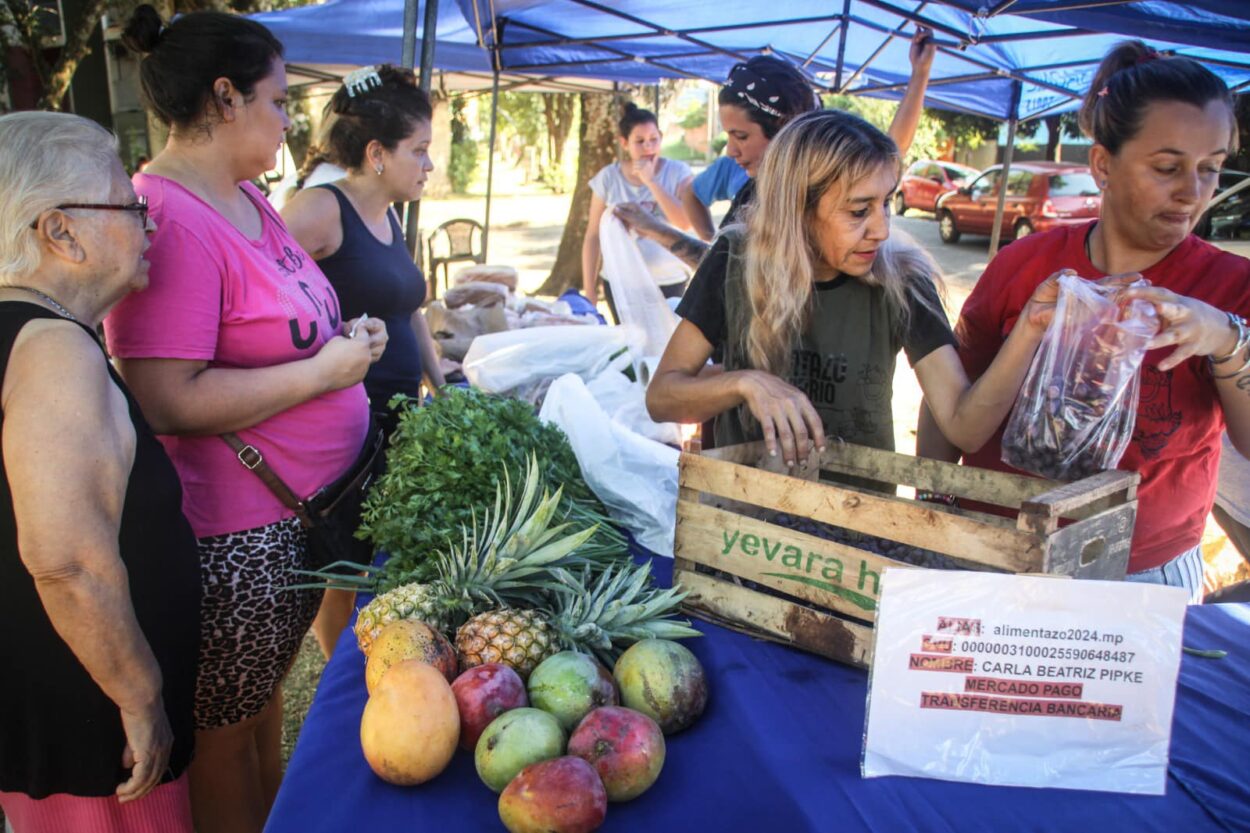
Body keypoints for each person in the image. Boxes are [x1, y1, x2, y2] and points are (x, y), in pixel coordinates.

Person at [106, 8, 387, 833]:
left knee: (263, 714)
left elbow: (283, 329)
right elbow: (165, 397)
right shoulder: (169, 216)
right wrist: (323, 371)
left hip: (295, 518)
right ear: (224, 99)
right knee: (229, 740)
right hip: (235, 534)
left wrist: (345, 343)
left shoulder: (249, 200)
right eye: (276, 99)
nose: (289, 118)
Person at [919, 41, 1250, 602]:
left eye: (1211, 169)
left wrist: (1225, 339)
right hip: (994, 543)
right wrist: (931, 504)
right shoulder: (1025, 267)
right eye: (1167, 168)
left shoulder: (1229, 289)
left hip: (1141, 571)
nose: (1192, 192)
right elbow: (949, 395)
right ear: (1102, 165)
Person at [645, 109, 1079, 476]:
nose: (883, 229)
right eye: (858, 211)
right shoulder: (735, 260)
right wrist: (746, 383)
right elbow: (662, 398)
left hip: (856, 533)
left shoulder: (902, 281)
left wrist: (1030, 328)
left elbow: (963, 426)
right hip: (746, 529)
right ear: (797, 208)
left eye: (886, 203)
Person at [0, 111, 200, 832]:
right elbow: (66, 562)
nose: (151, 225)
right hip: (93, 725)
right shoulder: (54, 348)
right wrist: (142, 696)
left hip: (60, 700)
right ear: (60, 231)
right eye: (130, 205)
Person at [282, 64, 445, 658]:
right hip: (349, 427)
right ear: (377, 153)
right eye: (420, 151)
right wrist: (332, 341)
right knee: (344, 569)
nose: (429, 165)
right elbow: (260, 295)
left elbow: (409, 311)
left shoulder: (390, 215)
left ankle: (370, 661)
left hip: (400, 419)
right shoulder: (320, 210)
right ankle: (334, 676)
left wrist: (442, 386)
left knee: (380, 559)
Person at [615, 29, 936, 269]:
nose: (730, 150)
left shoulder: (807, 194)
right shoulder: (754, 190)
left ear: (784, 133)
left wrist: (655, 229)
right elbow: (721, 266)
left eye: (741, 136)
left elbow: (890, 154)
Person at [582, 102, 695, 318]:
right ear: (624, 143)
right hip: (621, 281)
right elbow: (593, 236)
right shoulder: (608, 177)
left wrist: (652, 182)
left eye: (654, 140)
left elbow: (685, 222)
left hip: (668, 279)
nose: (648, 148)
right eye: (640, 142)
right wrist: (590, 294)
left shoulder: (678, 172)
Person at [682, 153, 751, 241]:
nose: (731, 149)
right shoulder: (732, 162)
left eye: (743, 138)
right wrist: (713, 243)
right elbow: (691, 194)